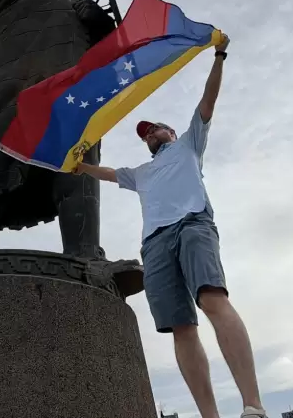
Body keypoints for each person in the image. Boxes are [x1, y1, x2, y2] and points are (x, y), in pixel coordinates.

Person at [75, 35, 268, 418]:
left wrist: (219, 56)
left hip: (192, 225)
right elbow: (111, 174)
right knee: (181, 327)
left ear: (172, 132)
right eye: (145, 133)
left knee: (213, 300)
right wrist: (79, 165)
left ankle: (253, 405)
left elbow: (207, 102)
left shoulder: (189, 145)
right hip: (155, 244)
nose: (149, 134)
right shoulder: (142, 173)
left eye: (155, 129)